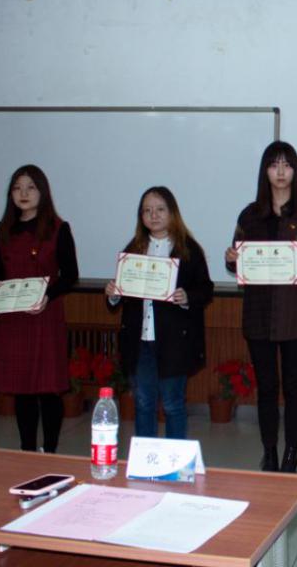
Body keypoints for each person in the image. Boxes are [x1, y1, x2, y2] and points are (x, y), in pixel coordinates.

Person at [225, 141, 297, 473]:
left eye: (287, 165)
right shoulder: (250, 214)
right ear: (265, 171)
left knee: (293, 387)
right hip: (259, 314)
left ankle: (291, 453)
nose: (281, 172)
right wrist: (231, 258)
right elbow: (237, 259)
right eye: (274, 165)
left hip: (296, 316)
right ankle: (269, 451)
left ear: (295, 171)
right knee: (267, 388)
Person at [106, 187, 213, 440]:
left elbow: (206, 289)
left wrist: (187, 297)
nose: (153, 215)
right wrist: (113, 293)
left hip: (174, 341)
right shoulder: (134, 248)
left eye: (160, 209)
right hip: (141, 340)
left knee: (173, 404)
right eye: (147, 210)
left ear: (172, 212)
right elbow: (122, 292)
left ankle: (174, 459)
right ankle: (146, 459)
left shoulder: (188, 249)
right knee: (143, 403)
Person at [0, 165, 78, 453]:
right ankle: (27, 450)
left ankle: (49, 452)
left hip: (44, 316)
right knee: (22, 389)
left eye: (30, 187)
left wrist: (47, 296)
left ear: (42, 192)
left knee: (48, 389)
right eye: (17, 188)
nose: (23, 193)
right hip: (14, 319)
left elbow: (70, 275)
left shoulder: (58, 229)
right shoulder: (3, 230)